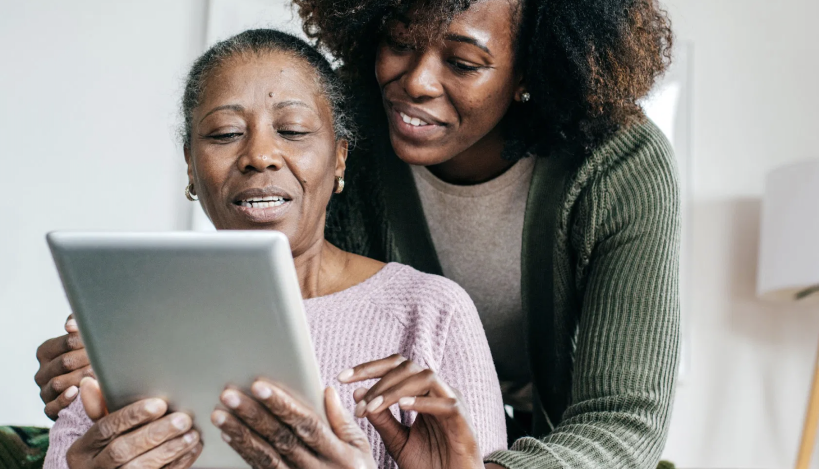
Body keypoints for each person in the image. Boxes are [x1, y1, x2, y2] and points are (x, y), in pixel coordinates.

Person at [38, 0, 681, 466]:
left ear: (532, 74)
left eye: (462, 61)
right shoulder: (348, 133)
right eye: (400, 43)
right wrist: (118, 355)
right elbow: (295, 308)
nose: (417, 82)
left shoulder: (618, 165)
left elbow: (623, 418)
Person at [42, 29, 506, 469]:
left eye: (293, 130)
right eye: (224, 133)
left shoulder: (432, 311)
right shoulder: (126, 323)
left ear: (340, 157)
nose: (259, 155)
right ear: (190, 165)